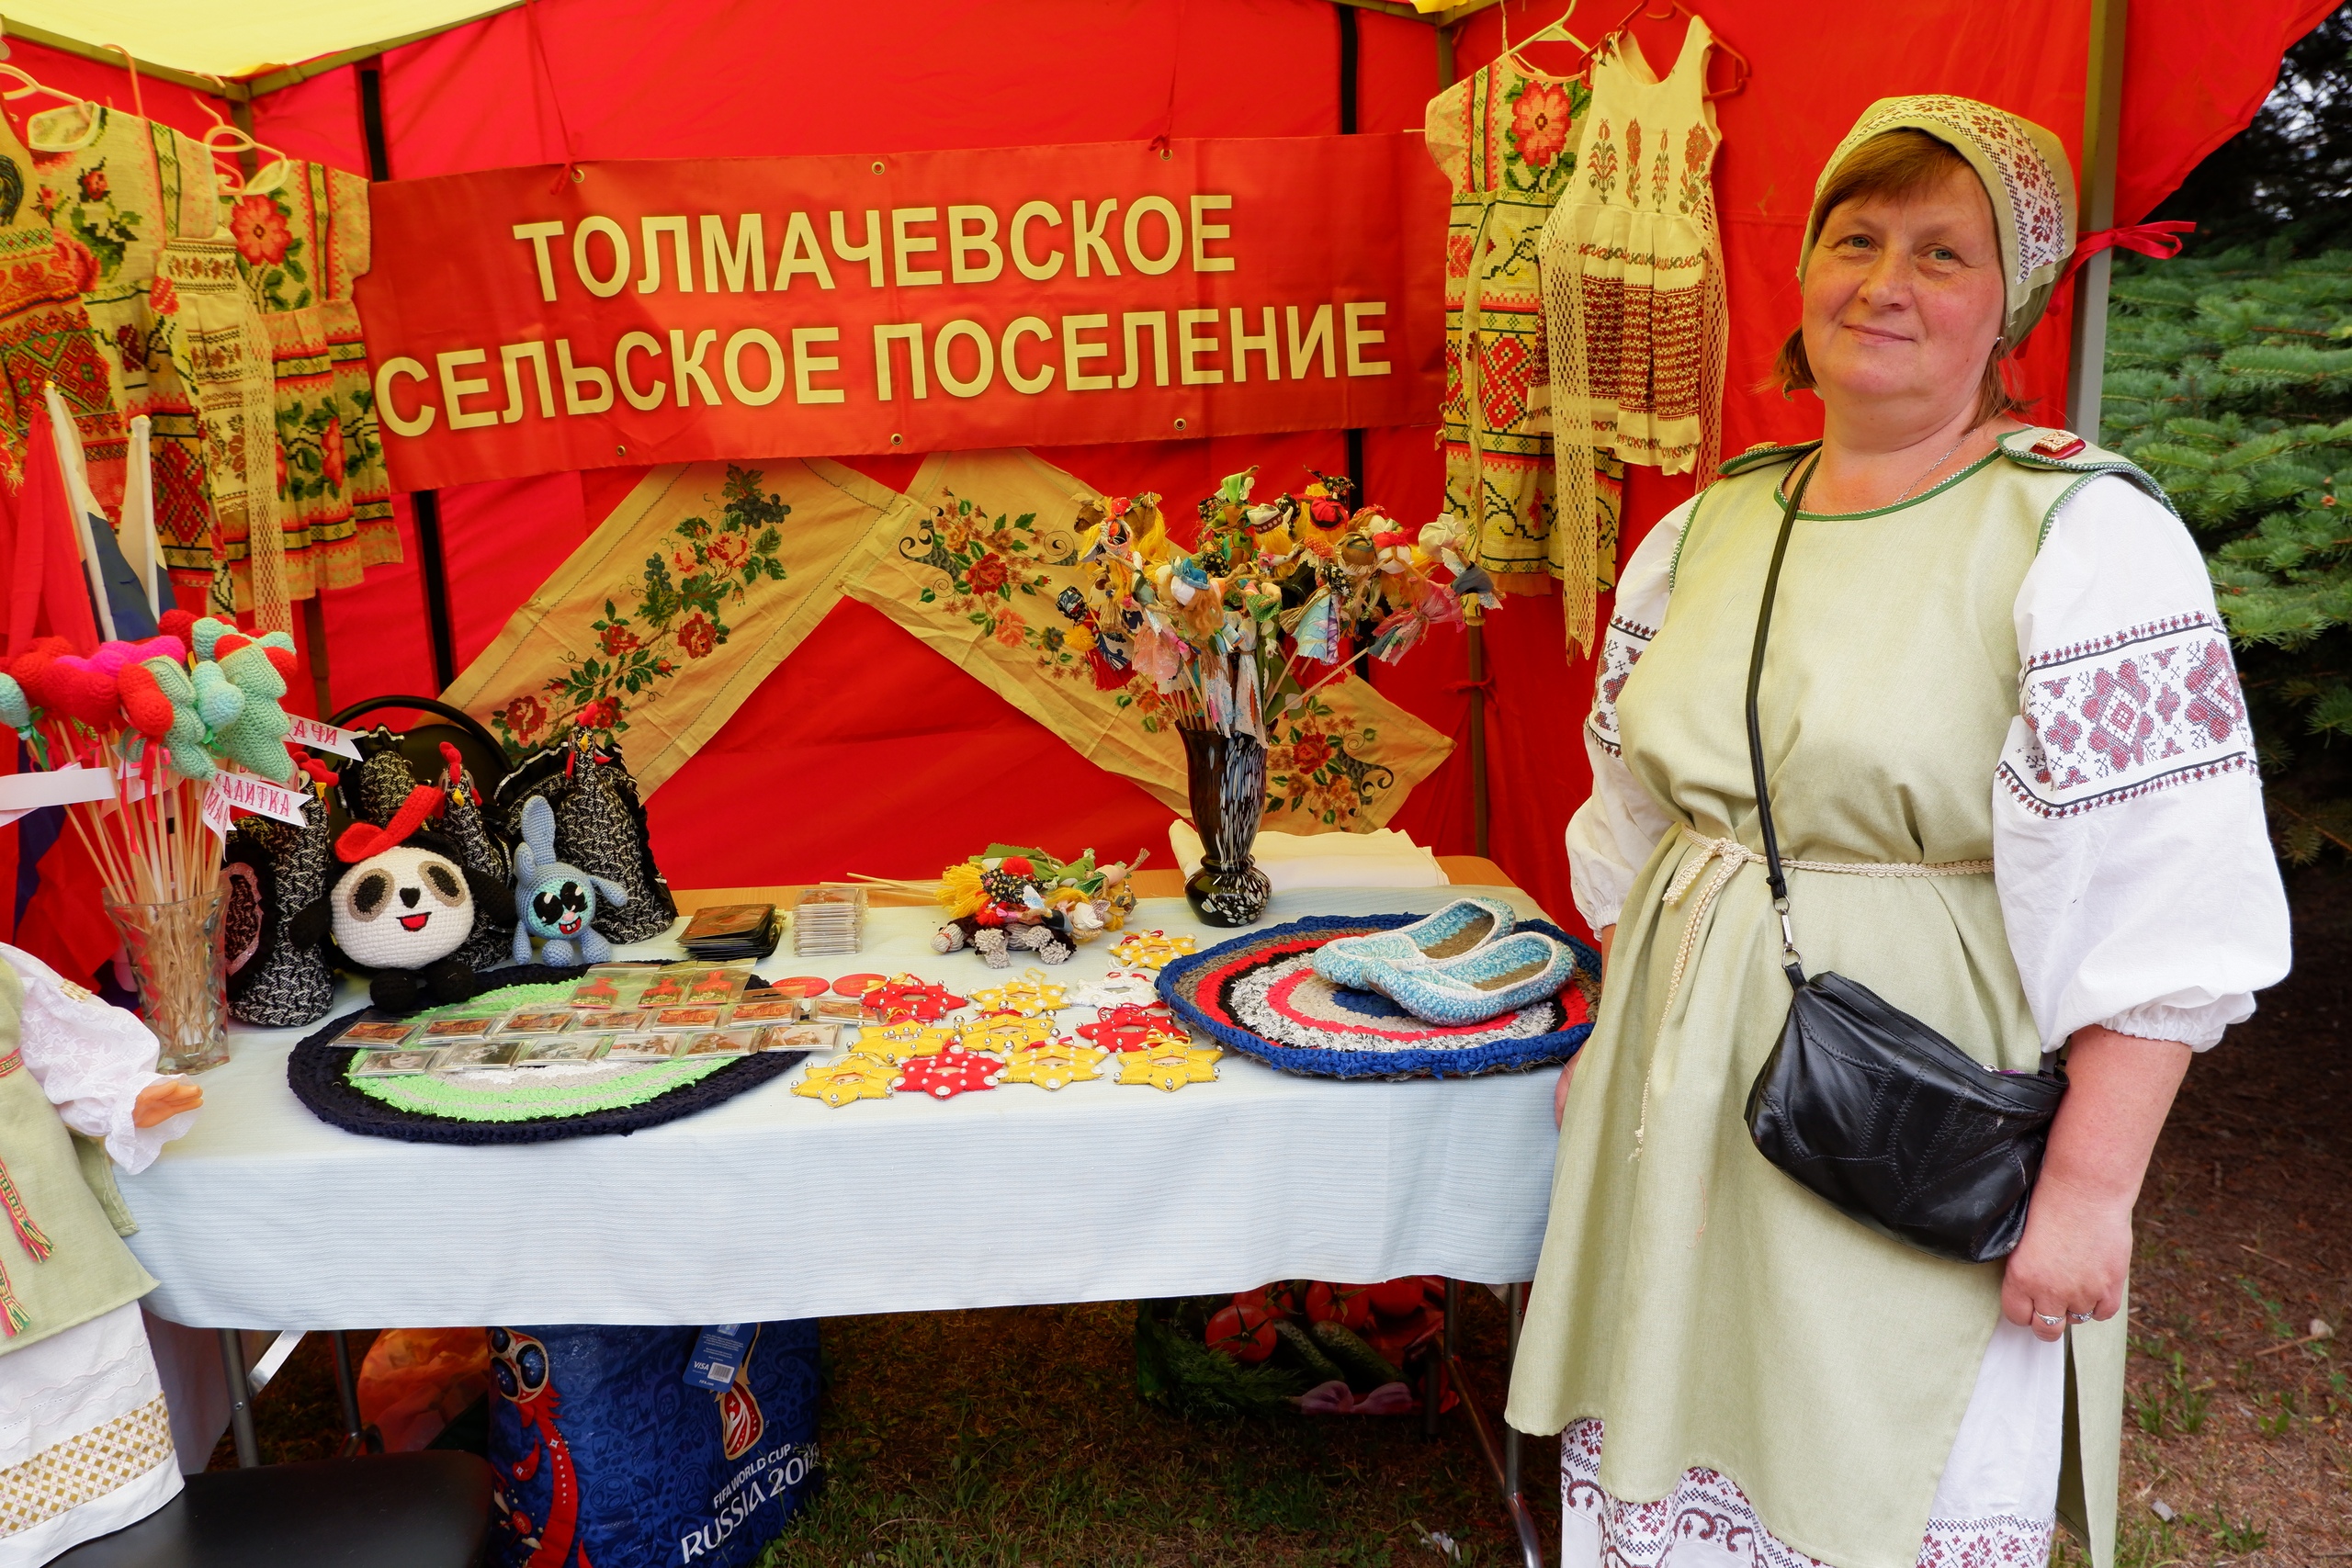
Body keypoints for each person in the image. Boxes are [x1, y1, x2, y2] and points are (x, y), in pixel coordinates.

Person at [1505, 96, 2292, 1568]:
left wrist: (2088, 1192)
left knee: (1876, 1442)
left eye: (1943, 253)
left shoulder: (2083, 535)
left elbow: (2160, 900)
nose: (1885, 281)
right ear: (1804, 268)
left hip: (1909, 1091)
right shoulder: (1717, 521)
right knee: (1679, 1412)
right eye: (1855, 237)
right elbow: (1641, 816)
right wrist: (1623, 1030)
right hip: (1684, 1085)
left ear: (2011, 309)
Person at [0, 944, 203, 1567]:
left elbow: (64, 1047)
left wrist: (125, 1097)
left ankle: (121, 1500)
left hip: (40, 1215)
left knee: (77, 1342)